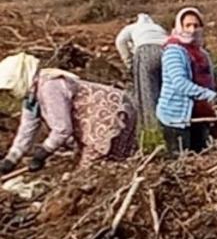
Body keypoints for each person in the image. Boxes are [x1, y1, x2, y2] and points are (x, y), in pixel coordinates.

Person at [0, 52, 136, 173]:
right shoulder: (31, 96)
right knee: (89, 168)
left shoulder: (49, 86)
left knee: (94, 171)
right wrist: (11, 159)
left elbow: (63, 129)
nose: (10, 93)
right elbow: (27, 128)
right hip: (95, 123)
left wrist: (43, 152)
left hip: (109, 114)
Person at [156, 7, 217, 155]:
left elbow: (210, 80)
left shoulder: (202, 53)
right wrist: (206, 94)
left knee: (200, 158)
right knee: (181, 159)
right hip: (176, 116)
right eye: (188, 25)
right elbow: (180, 83)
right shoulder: (174, 51)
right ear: (179, 27)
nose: (192, 30)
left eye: (196, 26)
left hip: (199, 115)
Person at [115, 13, 167, 133]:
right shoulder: (158, 28)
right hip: (166, 52)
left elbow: (120, 41)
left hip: (145, 51)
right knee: (164, 91)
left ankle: (152, 130)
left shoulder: (132, 28)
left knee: (146, 92)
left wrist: (129, 62)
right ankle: (168, 127)